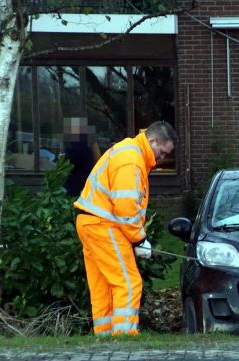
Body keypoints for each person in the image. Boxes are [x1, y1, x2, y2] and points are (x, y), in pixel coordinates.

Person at [74, 121, 175, 336]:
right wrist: (139, 240)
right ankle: (124, 336)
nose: (161, 159)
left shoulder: (128, 152)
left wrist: (137, 239)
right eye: (162, 152)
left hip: (91, 223)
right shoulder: (132, 160)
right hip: (104, 224)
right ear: (153, 140)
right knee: (128, 284)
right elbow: (126, 208)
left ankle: (104, 337)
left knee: (103, 286)